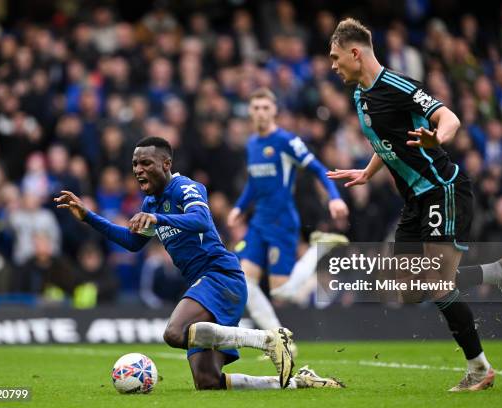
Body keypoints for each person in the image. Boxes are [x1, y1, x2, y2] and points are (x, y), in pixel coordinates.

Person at [55, 136, 343, 390]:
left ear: (166, 163)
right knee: (208, 381)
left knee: (173, 332)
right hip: (203, 283)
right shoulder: (151, 204)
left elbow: (202, 220)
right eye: (135, 164)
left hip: (220, 275)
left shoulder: (186, 188)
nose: (138, 169)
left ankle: (268, 340)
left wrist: (159, 220)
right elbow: (133, 243)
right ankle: (299, 382)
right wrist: (88, 216)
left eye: (145, 163)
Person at [326, 18, 502, 391]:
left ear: (354, 52)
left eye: (335, 57)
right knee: (411, 289)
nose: (333, 66)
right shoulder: (360, 96)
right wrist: (368, 171)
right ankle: (497, 272)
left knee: (438, 282)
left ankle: (480, 368)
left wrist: (436, 139)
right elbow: (389, 141)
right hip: (414, 199)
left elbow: (449, 118)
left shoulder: (397, 85)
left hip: (440, 188)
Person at [227, 87, 349, 336]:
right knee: (245, 282)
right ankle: (278, 339)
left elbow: (317, 168)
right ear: (250, 112)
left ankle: (319, 249)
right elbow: (253, 181)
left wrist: (334, 198)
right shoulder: (252, 144)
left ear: (274, 111)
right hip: (259, 221)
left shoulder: (286, 141)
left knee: (281, 291)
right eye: (256, 108)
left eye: (265, 108)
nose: (261, 112)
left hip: (282, 222)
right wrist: (239, 207)